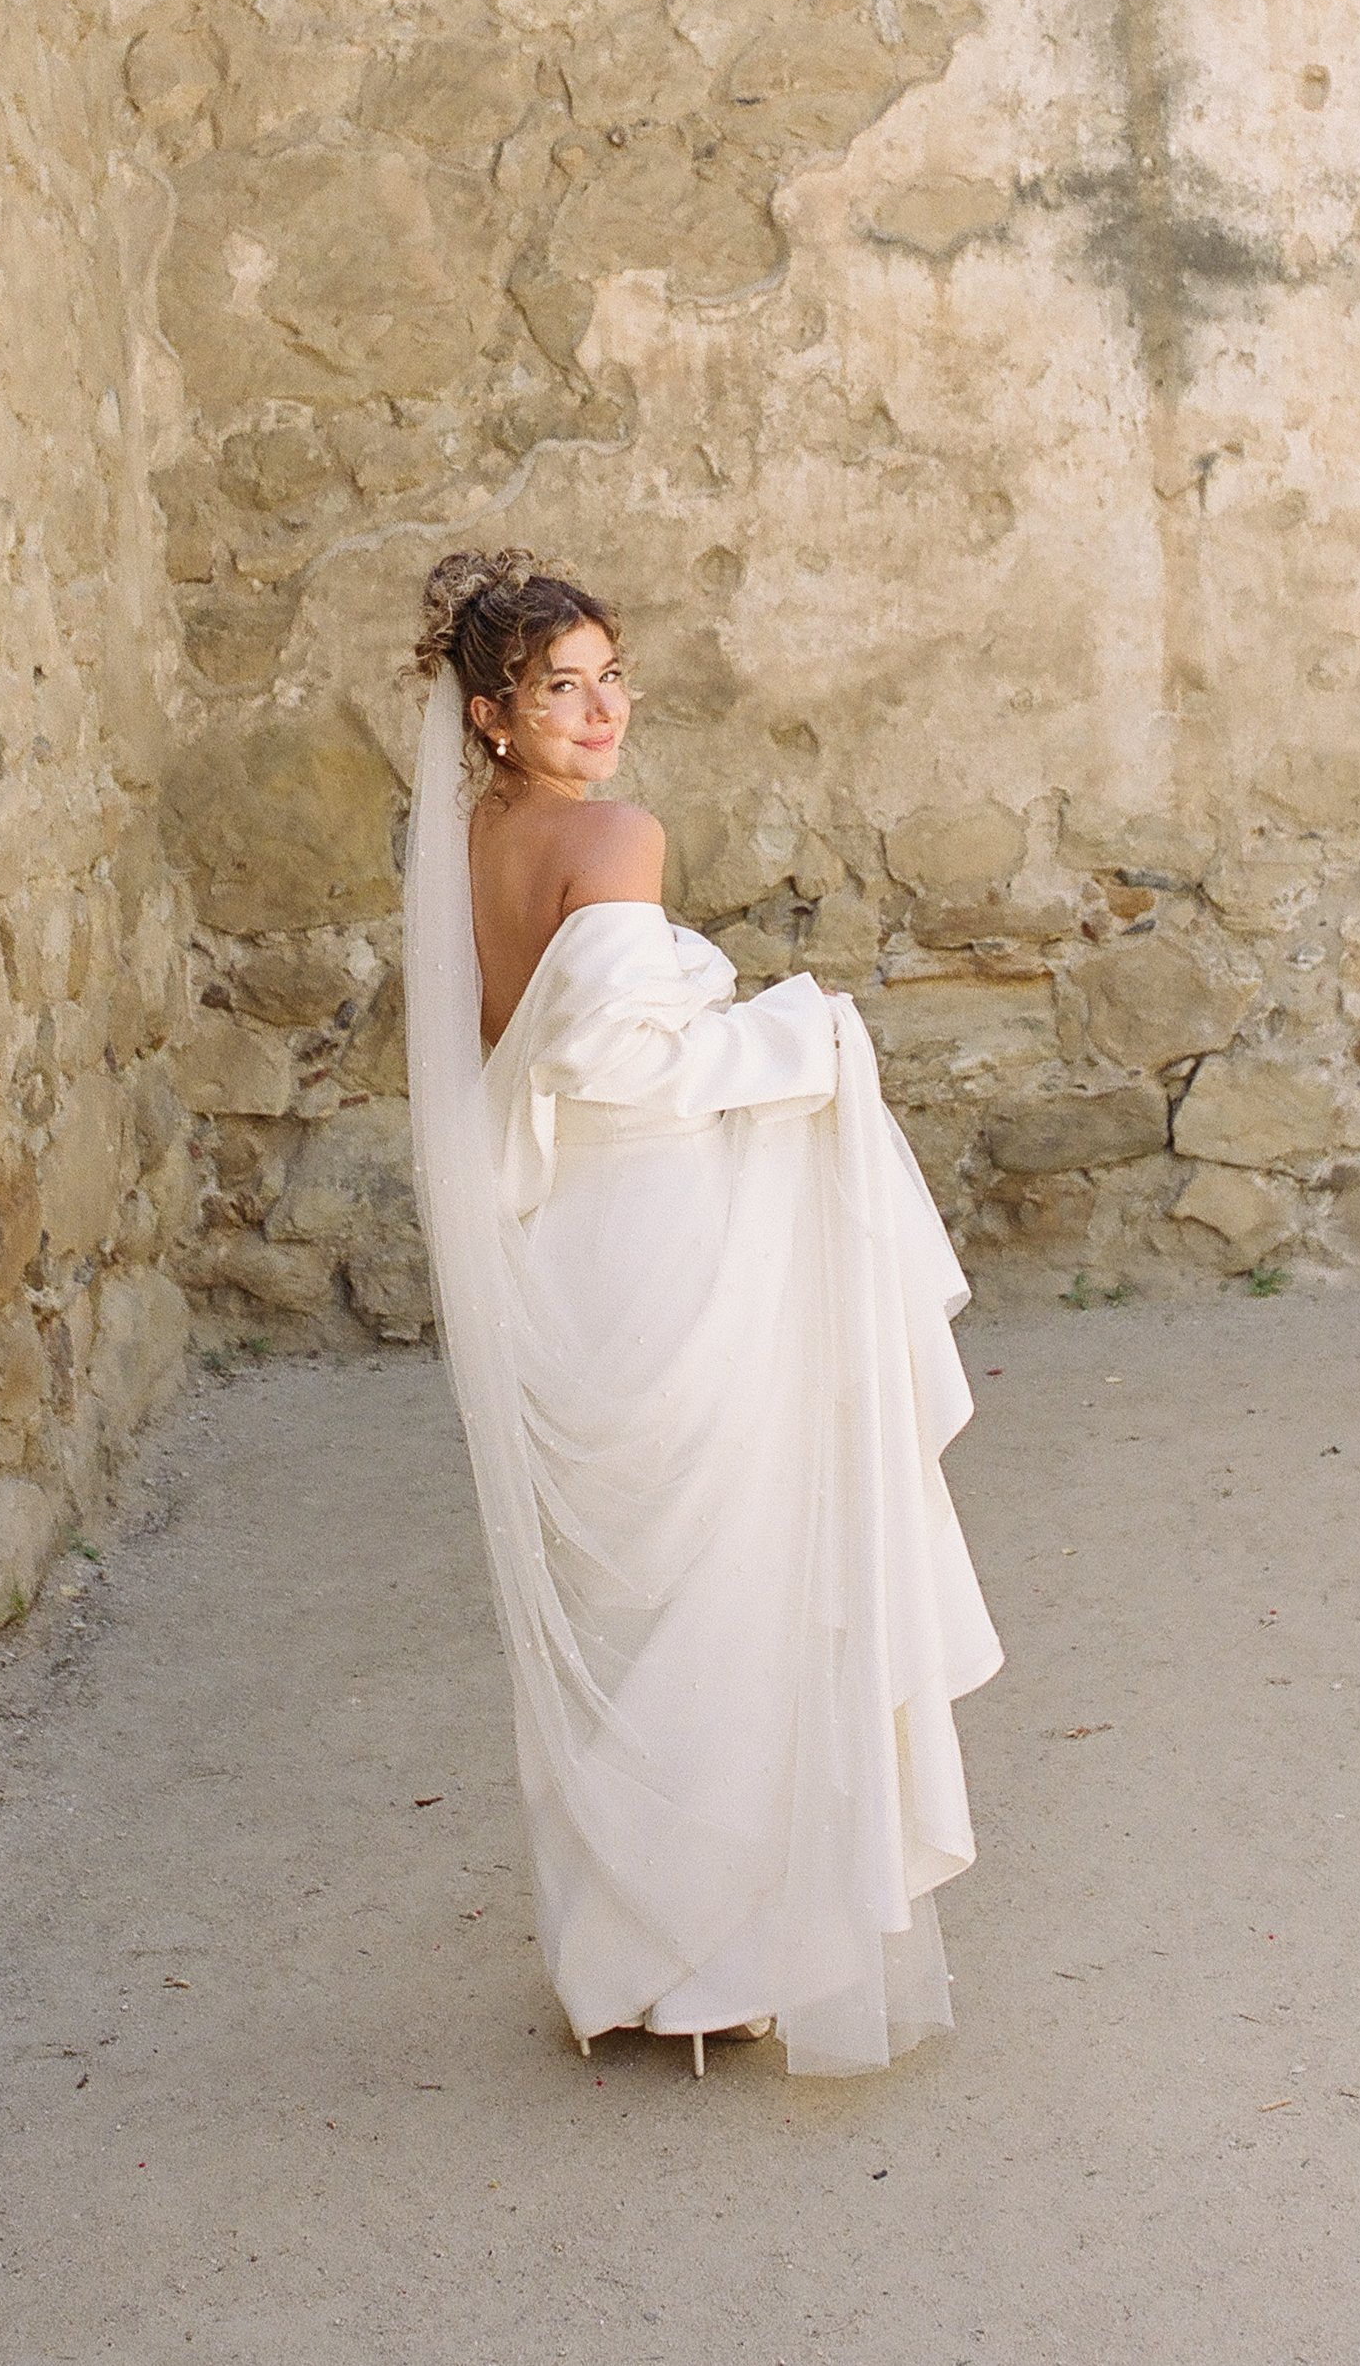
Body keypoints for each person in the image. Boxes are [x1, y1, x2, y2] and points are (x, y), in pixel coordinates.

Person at [403, 547, 1002, 2080]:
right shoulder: (615, 835)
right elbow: (624, 1068)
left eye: (612, 677)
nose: (601, 711)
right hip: (667, 1244)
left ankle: (637, 1953)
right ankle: (708, 1963)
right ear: (490, 712)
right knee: (722, 1580)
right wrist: (805, 1034)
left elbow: (512, 1062)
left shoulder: (467, 846)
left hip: (570, 1252)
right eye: (559, 687)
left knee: (641, 1601)